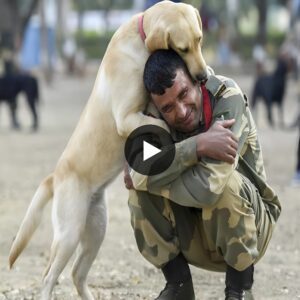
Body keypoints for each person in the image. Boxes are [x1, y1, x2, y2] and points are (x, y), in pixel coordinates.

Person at [124, 49, 281, 300]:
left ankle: (239, 291)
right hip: (196, 234)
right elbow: (135, 172)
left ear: (196, 78)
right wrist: (198, 146)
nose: (182, 111)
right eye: (168, 108)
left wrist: (156, 173)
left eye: (184, 94)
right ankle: (179, 287)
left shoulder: (226, 97)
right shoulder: (153, 114)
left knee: (224, 186)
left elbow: (209, 188)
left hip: (251, 232)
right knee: (138, 197)